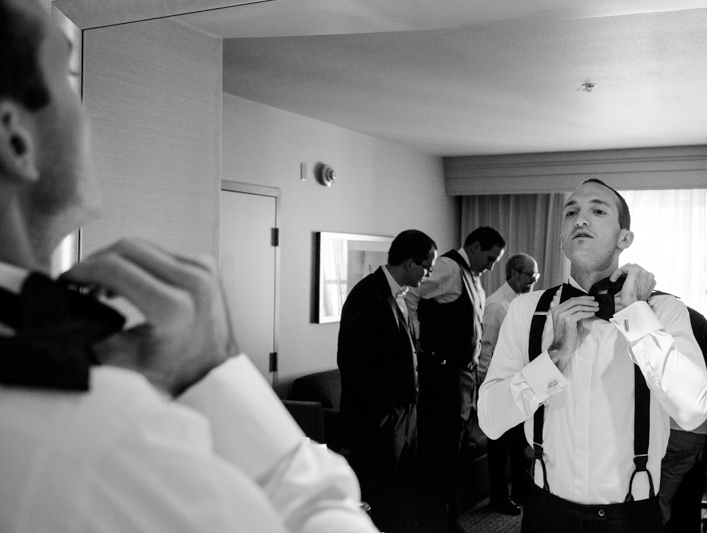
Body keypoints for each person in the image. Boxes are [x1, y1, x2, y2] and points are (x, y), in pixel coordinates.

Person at [0, 1, 378, 531]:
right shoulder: (103, 441)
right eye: (68, 75)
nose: (88, 115)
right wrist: (214, 371)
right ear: (16, 138)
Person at [478, 179, 707, 533]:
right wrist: (553, 358)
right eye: (571, 212)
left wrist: (636, 317)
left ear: (624, 238)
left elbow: (693, 410)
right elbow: (491, 420)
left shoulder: (663, 311)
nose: (581, 219)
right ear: (562, 238)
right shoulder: (527, 311)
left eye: (598, 210)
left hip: (632, 519)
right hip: (545, 514)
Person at [337, 229, 437, 532]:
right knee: (379, 499)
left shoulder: (400, 295)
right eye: (427, 267)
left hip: (404, 416)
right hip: (380, 423)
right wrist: (385, 417)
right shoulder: (367, 297)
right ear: (409, 263)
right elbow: (355, 368)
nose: (429, 274)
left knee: (400, 496)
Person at [408, 226, 506, 533]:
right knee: (440, 453)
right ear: (475, 247)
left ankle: (447, 518)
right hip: (443, 378)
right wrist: (417, 338)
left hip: (462, 378)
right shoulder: (449, 268)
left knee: (454, 452)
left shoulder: (473, 278)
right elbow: (410, 292)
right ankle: (435, 521)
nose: (491, 267)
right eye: (490, 258)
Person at [476, 253, 539, 516]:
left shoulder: (523, 304)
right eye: (530, 275)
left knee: (518, 444)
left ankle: (521, 492)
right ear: (514, 273)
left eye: (536, 276)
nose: (534, 281)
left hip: (520, 385)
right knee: (499, 449)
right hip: (501, 389)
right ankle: (498, 497)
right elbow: (484, 351)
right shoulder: (497, 306)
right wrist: (489, 395)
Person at [659, 306, 707, 532]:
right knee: (670, 494)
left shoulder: (656, 322)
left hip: (666, 428)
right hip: (696, 433)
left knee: (647, 492)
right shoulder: (699, 324)